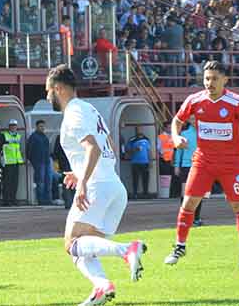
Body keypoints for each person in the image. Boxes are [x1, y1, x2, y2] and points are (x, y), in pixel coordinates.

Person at [46, 64, 146, 306]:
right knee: (82, 248)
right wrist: (80, 172)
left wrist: (83, 182)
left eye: (48, 90)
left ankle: (128, 249)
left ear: (58, 88)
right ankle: (102, 287)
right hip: (113, 186)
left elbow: (93, 147)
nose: (47, 95)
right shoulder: (89, 108)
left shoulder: (73, 112)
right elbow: (108, 142)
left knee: (71, 244)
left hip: (97, 187)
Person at [164, 61, 239, 268]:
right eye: (206, 78)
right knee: (188, 204)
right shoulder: (194, 100)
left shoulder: (237, 102)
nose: (209, 83)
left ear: (225, 80)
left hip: (231, 163)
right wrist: (176, 137)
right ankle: (179, 246)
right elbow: (177, 121)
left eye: (214, 78)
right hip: (203, 161)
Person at [173, 119, 201, 226]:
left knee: (198, 193)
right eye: (193, 119)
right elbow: (179, 151)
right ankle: (185, 218)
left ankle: (196, 218)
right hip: (186, 166)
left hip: (200, 166)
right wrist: (177, 165)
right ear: (189, 120)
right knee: (184, 193)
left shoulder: (203, 133)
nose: (195, 121)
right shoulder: (184, 134)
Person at [27, 120, 52, 205]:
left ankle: (48, 200)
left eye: (43, 126)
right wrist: (33, 161)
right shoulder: (33, 137)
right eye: (41, 126)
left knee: (48, 181)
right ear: (36, 127)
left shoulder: (45, 137)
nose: (42, 128)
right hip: (39, 163)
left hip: (47, 162)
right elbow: (29, 150)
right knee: (40, 181)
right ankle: (41, 200)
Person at [1, 119, 24, 205]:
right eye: (12, 125)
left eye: (15, 126)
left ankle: (13, 199)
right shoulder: (4, 135)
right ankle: (6, 200)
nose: (13, 127)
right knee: (7, 183)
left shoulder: (18, 136)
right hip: (7, 163)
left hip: (16, 162)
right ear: (9, 127)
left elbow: (18, 149)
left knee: (15, 183)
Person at [125, 127, 152, 199]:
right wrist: (135, 149)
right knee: (135, 179)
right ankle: (135, 194)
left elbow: (149, 151)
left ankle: (145, 193)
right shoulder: (132, 140)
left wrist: (150, 161)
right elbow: (127, 151)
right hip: (135, 162)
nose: (140, 131)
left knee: (145, 178)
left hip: (145, 162)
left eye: (141, 129)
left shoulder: (146, 140)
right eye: (138, 129)